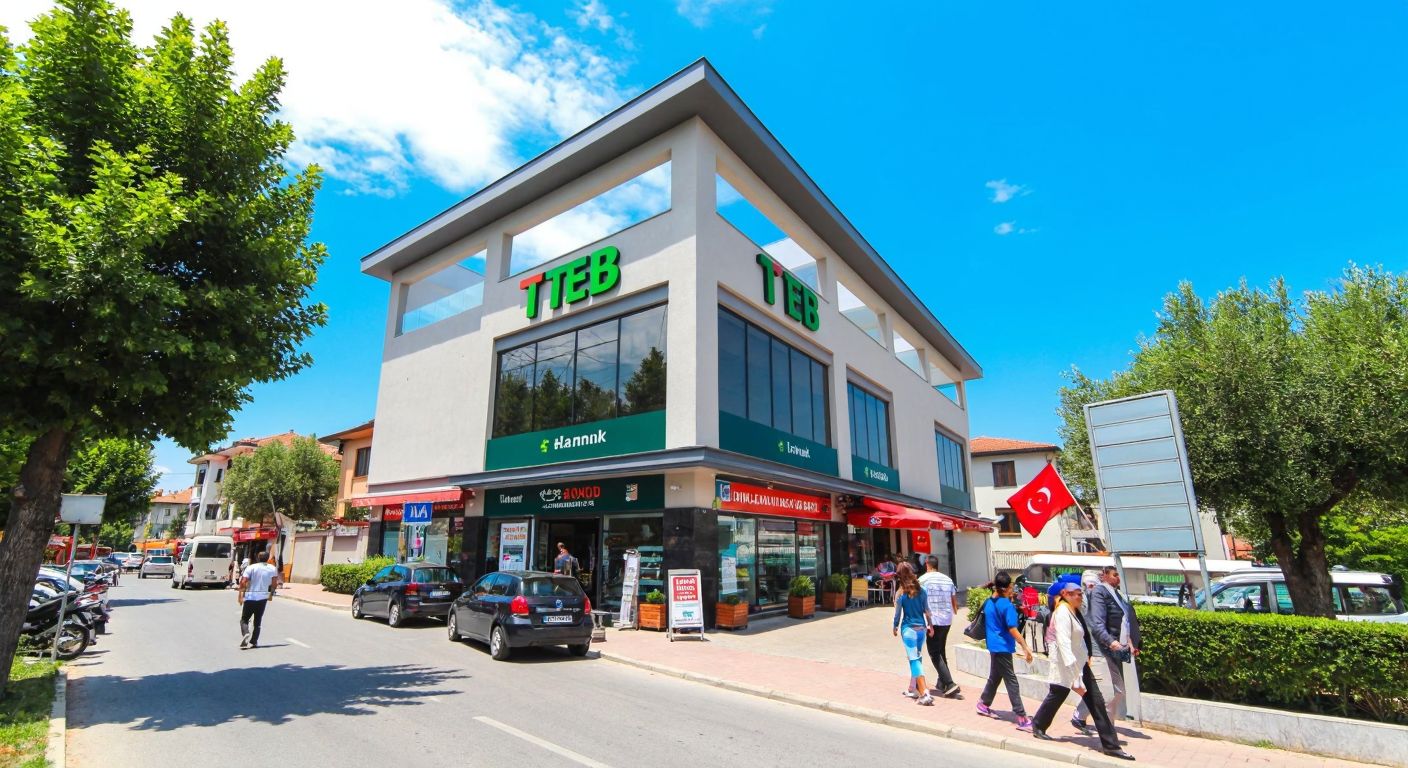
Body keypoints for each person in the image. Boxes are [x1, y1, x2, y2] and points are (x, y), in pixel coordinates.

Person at [1031, 581, 1135, 761]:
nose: (1081, 596)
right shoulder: (1062, 613)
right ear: (1066, 594)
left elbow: (1082, 639)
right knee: (1061, 695)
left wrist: (1085, 660)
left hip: (1079, 665)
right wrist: (1076, 673)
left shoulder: (1074, 611)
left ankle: (1110, 746)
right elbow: (1063, 642)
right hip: (1068, 666)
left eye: (1081, 593)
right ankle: (1039, 725)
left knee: (1094, 702)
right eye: (1077, 593)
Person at [1073, 565, 1142, 732]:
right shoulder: (1083, 603)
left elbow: (1125, 620)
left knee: (1111, 691)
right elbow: (1094, 627)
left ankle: (1084, 718)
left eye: (1092, 584)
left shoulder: (1110, 598)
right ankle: (1104, 729)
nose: (1089, 588)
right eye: (1086, 585)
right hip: (1095, 653)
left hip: (1107, 651)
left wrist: (1130, 642)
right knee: (1108, 692)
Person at [975, 571, 1034, 731]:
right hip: (1002, 647)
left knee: (995, 676)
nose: (1013, 589)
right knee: (1011, 681)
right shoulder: (1006, 606)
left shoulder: (989, 602)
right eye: (1011, 587)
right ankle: (1021, 717)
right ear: (1007, 587)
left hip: (993, 645)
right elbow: (1012, 628)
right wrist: (1025, 646)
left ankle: (983, 704)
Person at [891, 562, 934, 706]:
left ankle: (924, 692)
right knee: (917, 659)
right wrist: (930, 625)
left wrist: (895, 626)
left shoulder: (900, 593)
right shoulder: (922, 590)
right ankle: (913, 688)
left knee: (914, 660)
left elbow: (897, 614)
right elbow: (927, 610)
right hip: (921, 629)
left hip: (908, 630)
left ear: (899, 576)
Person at [918, 556, 960, 698]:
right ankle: (942, 682)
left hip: (933, 620)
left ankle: (949, 683)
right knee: (941, 650)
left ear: (927, 564)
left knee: (934, 653)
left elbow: (918, 599)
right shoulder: (948, 580)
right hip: (946, 619)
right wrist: (954, 610)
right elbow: (954, 602)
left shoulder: (923, 580)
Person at [237, 550, 280, 650]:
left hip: (250, 596)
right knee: (258, 620)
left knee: (244, 619)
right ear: (268, 558)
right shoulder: (272, 568)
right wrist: (271, 594)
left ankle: (246, 633)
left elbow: (243, 582)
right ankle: (254, 641)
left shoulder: (251, 567)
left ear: (257, 558)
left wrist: (240, 595)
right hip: (262, 597)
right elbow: (274, 583)